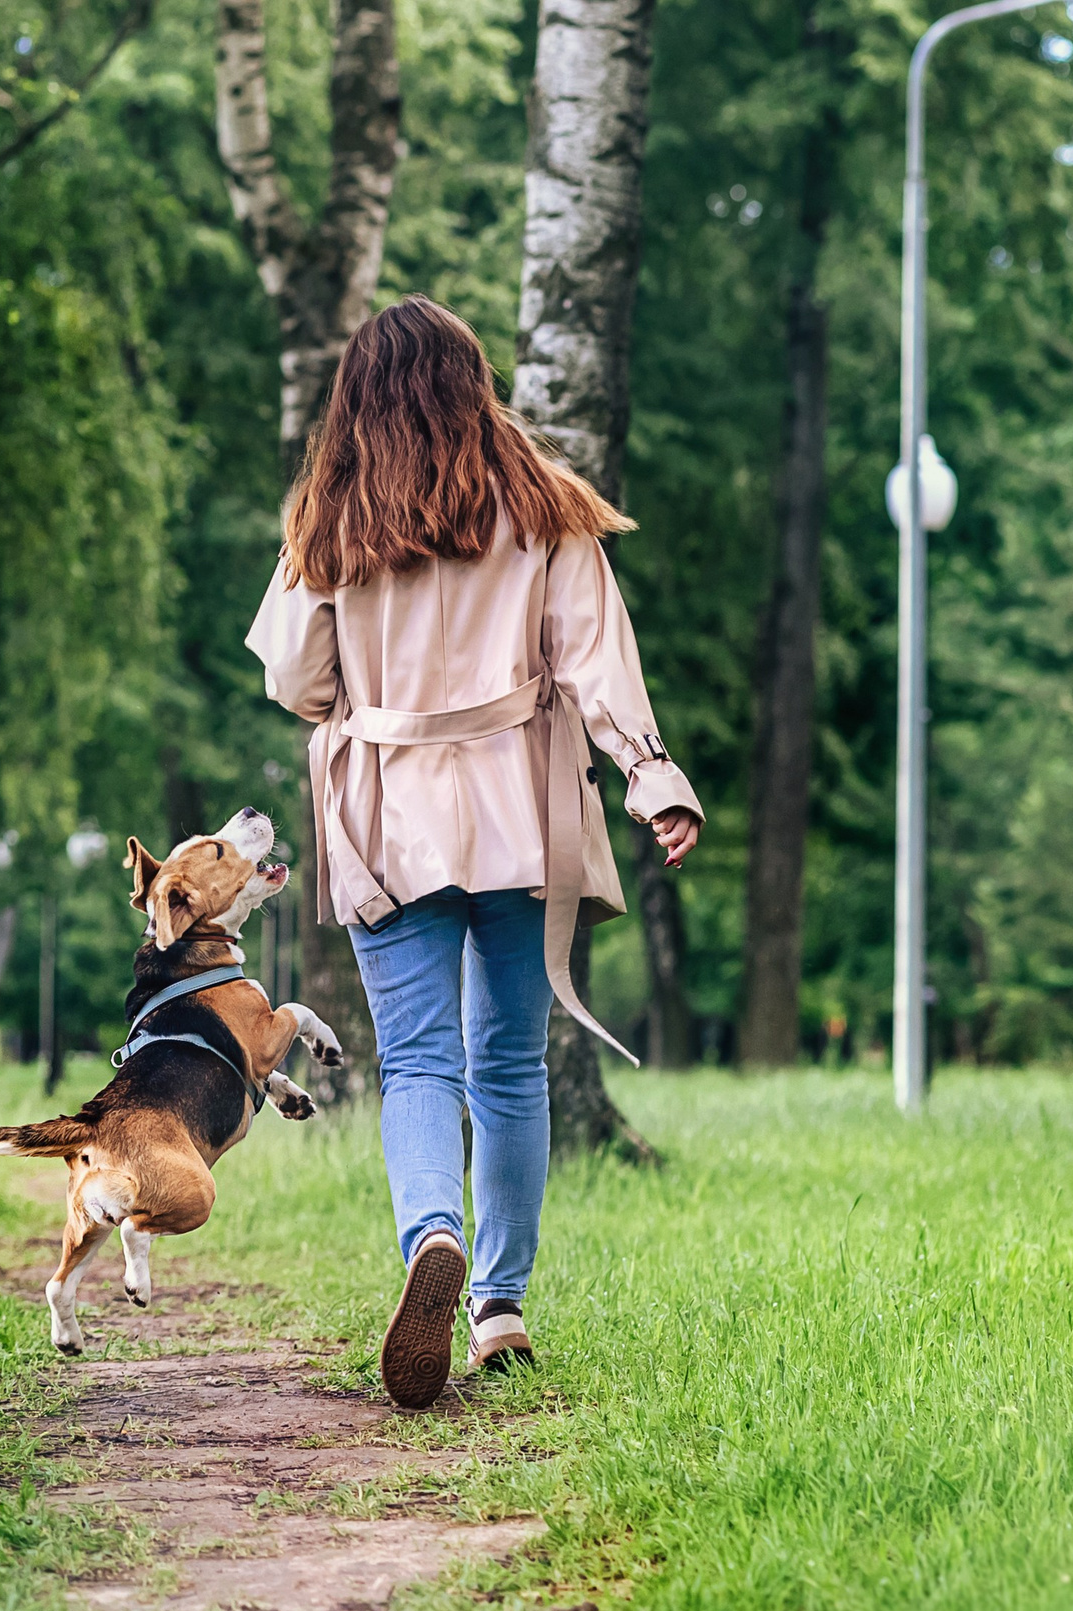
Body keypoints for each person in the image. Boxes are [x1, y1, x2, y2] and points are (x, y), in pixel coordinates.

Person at [245, 295, 703, 1410]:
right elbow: (593, 658)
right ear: (473, 382)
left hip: (391, 813)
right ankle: (496, 1302)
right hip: (518, 808)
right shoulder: (544, 502)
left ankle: (431, 1235)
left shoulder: (331, 517)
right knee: (508, 1061)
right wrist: (651, 775)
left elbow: (294, 685)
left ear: (357, 396)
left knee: (417, 1062)